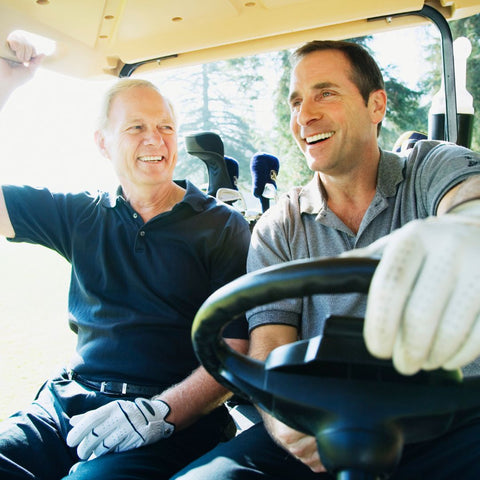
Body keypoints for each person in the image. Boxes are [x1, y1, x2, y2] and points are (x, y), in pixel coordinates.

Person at [172, 40, 480, 479]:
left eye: (325, 93)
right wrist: (284, 423)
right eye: (297, 101)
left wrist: (465, 229)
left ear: (376, 105)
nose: (304, 115)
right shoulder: (280, 226)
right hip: (324, 421)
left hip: (452, 418)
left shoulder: (428, 167)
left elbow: (470, 197)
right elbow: (269, 344)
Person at [0, 34, 251, 479]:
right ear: (103, 143)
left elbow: (236, 348)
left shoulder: (222, 226)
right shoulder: (79, 214)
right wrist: (4, 87)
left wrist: (161, 413)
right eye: (136, 127)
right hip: (66, 405)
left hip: (170, 418)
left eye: (165, 127)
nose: (155, 139)